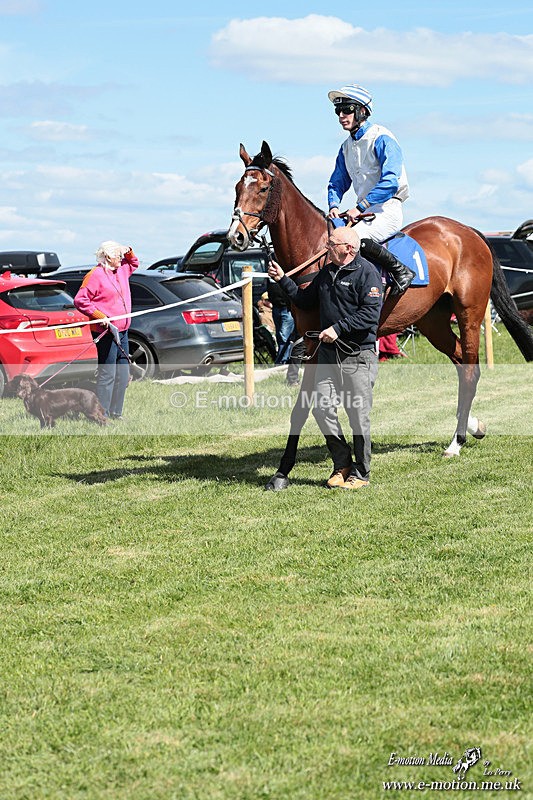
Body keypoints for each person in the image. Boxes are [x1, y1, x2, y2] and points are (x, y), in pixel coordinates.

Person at [268, 226, 382, 490]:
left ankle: (361, 474)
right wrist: (283, 279)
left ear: (348, 249)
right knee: (320, 408)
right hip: (329, 357)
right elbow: (304, 299)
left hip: (357, 357)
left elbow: (370, 315)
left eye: (331, 245)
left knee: (358, 416)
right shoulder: (327, 273)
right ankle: (342, 463)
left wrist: (338, 328)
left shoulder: (368, 275)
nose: (326, 249)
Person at [327, 84, 415, 295]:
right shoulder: (346, 147)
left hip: (387, 208)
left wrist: (360, 206)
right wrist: (333, 204)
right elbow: (337, 181)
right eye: (338, 111)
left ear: (362, 111)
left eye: (347, 109)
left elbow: (390, 181)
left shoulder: (382, 138)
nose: (341, 115)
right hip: (364, 211)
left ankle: (401, 271)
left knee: (352, 239)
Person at [74, 241, 139, 419]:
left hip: (123, 331)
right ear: (108, 257)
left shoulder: (122, 269)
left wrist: (128, 251)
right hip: (106, 333)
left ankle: (116, 413)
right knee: (108, 374)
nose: (121, 258)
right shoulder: (95, 275)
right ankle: (101, 414)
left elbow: (134, 263)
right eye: (118, 255)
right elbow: (80, 300)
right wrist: (99, 316)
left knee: (123, 374)